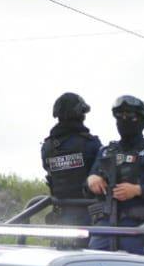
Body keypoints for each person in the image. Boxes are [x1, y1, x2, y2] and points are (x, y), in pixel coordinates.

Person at [87, 95, 144, 254]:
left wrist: (137, 190)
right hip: (104, 225)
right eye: (120, 117)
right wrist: (91, 180)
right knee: (91, 265)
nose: (124, 120)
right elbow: (87, 186)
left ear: (141, 120)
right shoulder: (106, 151)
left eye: (130, 117)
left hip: (136, 228)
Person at [40, 92, 102, 227]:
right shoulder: (91, 144)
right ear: (80, 114)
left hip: (60, 213)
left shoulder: (48, 147)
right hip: (89, 214)